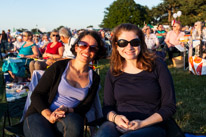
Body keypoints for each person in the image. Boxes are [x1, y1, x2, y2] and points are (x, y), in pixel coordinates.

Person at [95, 23, 176, 137]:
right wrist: (116, 118)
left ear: (141, 44)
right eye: (123, 43)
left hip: (151, 125)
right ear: (116, 46)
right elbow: (108, 107)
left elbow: (169, 106)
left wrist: (142, 124)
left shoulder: (157, 65)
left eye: (135, 42)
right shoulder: (114, 71)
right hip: (118, 124)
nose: (129, 47)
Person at [23, 30, 106, 137]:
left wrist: (67, 109)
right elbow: (37, 94)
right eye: (83, 45)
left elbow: (85, 106)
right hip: (40, 114)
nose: (87, 50)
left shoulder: (94, 78)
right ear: (76, 47)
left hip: (66, 117)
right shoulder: (59, 67)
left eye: (93, 48)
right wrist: (49, 115)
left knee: (75, 123)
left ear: (96, 53)